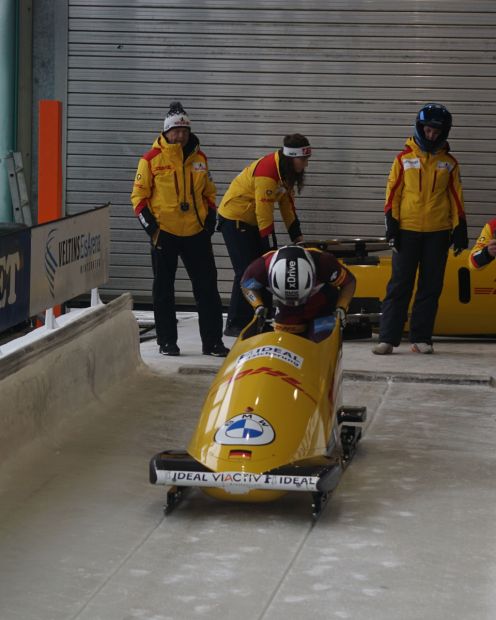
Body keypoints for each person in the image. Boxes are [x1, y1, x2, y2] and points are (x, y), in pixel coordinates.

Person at [131, 101, 229, 357]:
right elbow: (138, 199)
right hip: (165, 234)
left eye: (185, 130)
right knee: (164, 291)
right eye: (176, 130)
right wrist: (153, 230)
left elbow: (209, 193)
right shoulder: (150, 159)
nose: (181, 135)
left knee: (208, 289)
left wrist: (209, 221)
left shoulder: (200, 158)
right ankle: (167, 342)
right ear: (166, 132)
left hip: (196, 233)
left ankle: (213, 342)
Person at [372, 103, 469, 355]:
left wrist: (460, 228)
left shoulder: (449, 163)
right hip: (408, 230)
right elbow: (392, 195)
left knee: (430, 285)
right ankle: (388, 338)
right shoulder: (403, 159)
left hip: (438, 232)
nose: (431, 135)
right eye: (428, 129)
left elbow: (455, 198)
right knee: (399, 284)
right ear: (420, 127)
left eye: (437, 131)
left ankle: (421, 338)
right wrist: (391, 226)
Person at [218, 134, 311, 337]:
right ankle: (235, 323)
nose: (305, 165)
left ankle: (263, 319)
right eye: (302, 160)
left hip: (252, 221)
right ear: (291, 157)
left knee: (265, 270)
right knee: (245, 271)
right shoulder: (268, 171)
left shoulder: (285, 173)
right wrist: (269, 245)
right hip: (235, 219)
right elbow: (263, 211)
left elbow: (287, 207)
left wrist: (298, 238)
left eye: (306, 160)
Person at [240, 245, 356, 340]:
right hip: (288, 310)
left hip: (322, 306)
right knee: (283, 341)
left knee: (322, 339)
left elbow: (349, 283)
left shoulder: (325, 262)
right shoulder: (260, 268)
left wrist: (341, 307)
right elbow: (246, 286)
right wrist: (258, 305)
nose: (296, 302)